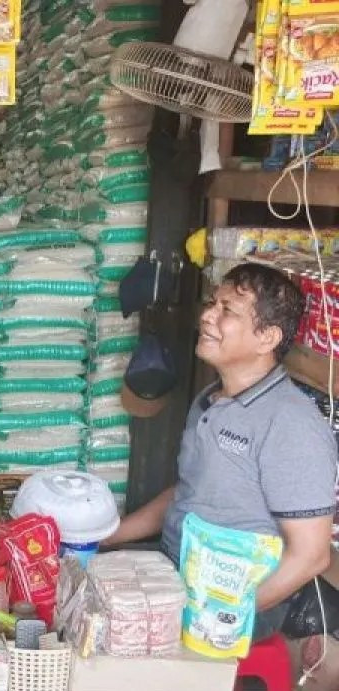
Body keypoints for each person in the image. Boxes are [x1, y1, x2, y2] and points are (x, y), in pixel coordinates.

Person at [105, 262, 338, 640]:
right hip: (175, 572)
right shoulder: (211, 400)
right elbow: (190, 491)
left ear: (267, 338)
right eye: (213, 303)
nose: (208, 316)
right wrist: (109, 536)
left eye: (227, 310)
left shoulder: (291, 426)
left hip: (231, 600)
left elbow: (312, 555)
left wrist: (226, 616)